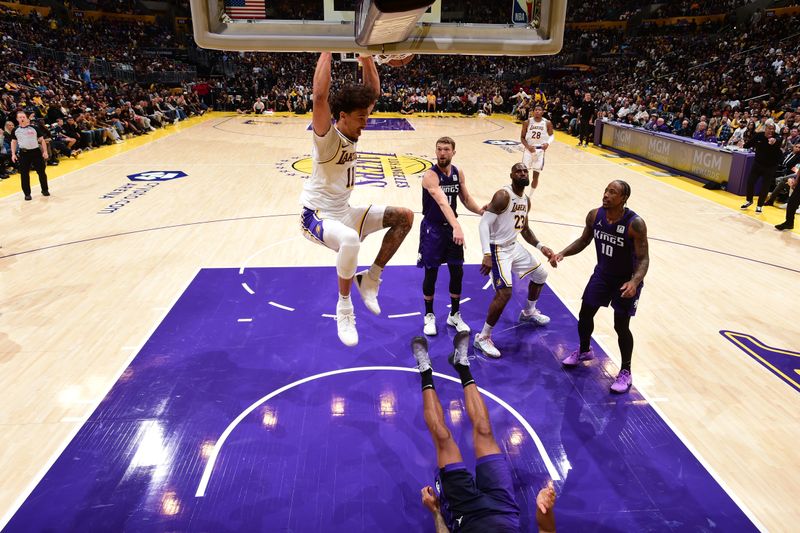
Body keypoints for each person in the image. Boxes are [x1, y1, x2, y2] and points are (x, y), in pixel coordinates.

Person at [299, 53, 414, 346]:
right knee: (351, 240)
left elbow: (372, 91)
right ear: (344, 116)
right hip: (317, 216)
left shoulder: (354, 130)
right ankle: (344, 307)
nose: (366, 122)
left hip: (345, 212)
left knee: (405, 216)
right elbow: (320, 96)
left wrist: (365, 58)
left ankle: (370, 279)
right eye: (361, 118)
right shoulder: (327, 137)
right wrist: (327, 48)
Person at [411, 332, 558, 532]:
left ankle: (425, 370)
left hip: (464, 511)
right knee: (484, 429)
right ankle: (462, 367)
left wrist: (436, 512)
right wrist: (546, 510)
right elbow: (546, 531)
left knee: (442, 436)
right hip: (502, 506)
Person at [549, 180, 650, 394]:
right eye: (606, 190)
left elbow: (643, 259)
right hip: (603, 275)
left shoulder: (635, 224)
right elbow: (584, 240)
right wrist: (563, 253)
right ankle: (585, 350)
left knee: (620, 326)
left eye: (612, 193)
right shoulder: (595, 216)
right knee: (585, 313)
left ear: (623, 199)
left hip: (626, 280)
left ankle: (625, 371)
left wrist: (634, 282)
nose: (606, 195)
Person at [474, 163, 552, 359]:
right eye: (519, 171)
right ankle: (483, 337)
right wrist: (486, 254)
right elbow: (484, 224)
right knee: (505, 293)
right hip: (498, 247)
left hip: (513, 245)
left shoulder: (526, 200)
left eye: (525, 170)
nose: (523, 173)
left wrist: (541, 246)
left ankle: (528, 312)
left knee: (541, 273)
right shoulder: (503, 196)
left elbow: (524, 228)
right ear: (511, 175)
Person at [418, 136, 483, 336]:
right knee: (432, 273)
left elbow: (465, 198)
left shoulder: (457, 172)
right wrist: (457, 226)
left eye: (446, 149)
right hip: (433, 229)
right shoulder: (430, 175)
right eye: (439, 149)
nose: (442, 153)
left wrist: (481, 211)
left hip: (450, 229)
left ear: (454, 152)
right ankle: (429, 315)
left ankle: (454, 314)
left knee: (457, 271)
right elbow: (442, 203)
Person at [741, 123, 783, 213]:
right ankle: (749, 200)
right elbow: (749, 144)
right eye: (769, 128)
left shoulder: (777, 136)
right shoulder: (759, 135)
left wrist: (773, 140)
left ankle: (759, 205)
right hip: (758, 164)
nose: (771, 130)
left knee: (765, 186)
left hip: (771, 166)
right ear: (765, 128)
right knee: (750, 182)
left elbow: (778, 140)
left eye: (773, 129)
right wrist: (743, 145)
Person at [10, 110, 50, 201]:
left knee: (41, 172)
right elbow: (13, 142)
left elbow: (42, 140)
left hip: (36, 152)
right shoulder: (15, 130)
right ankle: (27, 194)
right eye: (20, 117)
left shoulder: (34, 128)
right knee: (24, 174)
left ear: (26, 118)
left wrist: (45, 152)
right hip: (24, 154)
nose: (22, 118)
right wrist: (13, 154)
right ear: (17, 119)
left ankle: (45, 190)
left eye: (23, 117)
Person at [520, 104, 555, 191]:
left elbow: (552, 136)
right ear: (533, 111)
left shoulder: (547, 123)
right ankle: (521, 194)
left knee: (535, 177)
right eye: (536, 110)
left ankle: (530, 197)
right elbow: (522, 137)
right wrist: (528, 147)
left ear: (543, 112)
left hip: (540, 152)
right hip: (528, 151)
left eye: (539, 110)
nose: (537, 111)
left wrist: (547, 144)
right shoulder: (527, 122)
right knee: (523, 175)